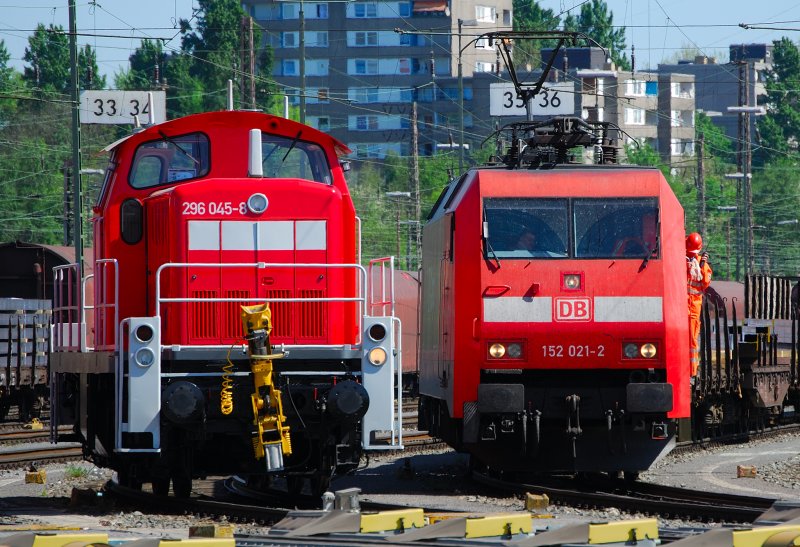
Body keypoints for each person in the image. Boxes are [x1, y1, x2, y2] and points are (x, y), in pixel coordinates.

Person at [686, 232, 712, 379]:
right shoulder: (680, 260)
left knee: (692, 340)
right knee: (687, 340)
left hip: (693, 308)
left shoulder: (701, 263)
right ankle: (688, 370)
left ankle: (692, 371)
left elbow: (705, 283)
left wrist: (702, 266)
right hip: (682, 307)